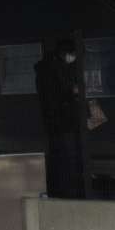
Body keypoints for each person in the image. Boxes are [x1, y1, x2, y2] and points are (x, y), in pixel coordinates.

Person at [35, 35, 92, 199]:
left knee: (64, 159)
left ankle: (67, 192)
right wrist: (71, 94)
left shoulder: (52, 69)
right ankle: (69, 193)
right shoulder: (53, 71)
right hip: (63, 122)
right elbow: (54, 98)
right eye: (73, 55)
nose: (73, 60)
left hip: (61, 123)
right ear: (65, 53)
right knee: (67, 160)